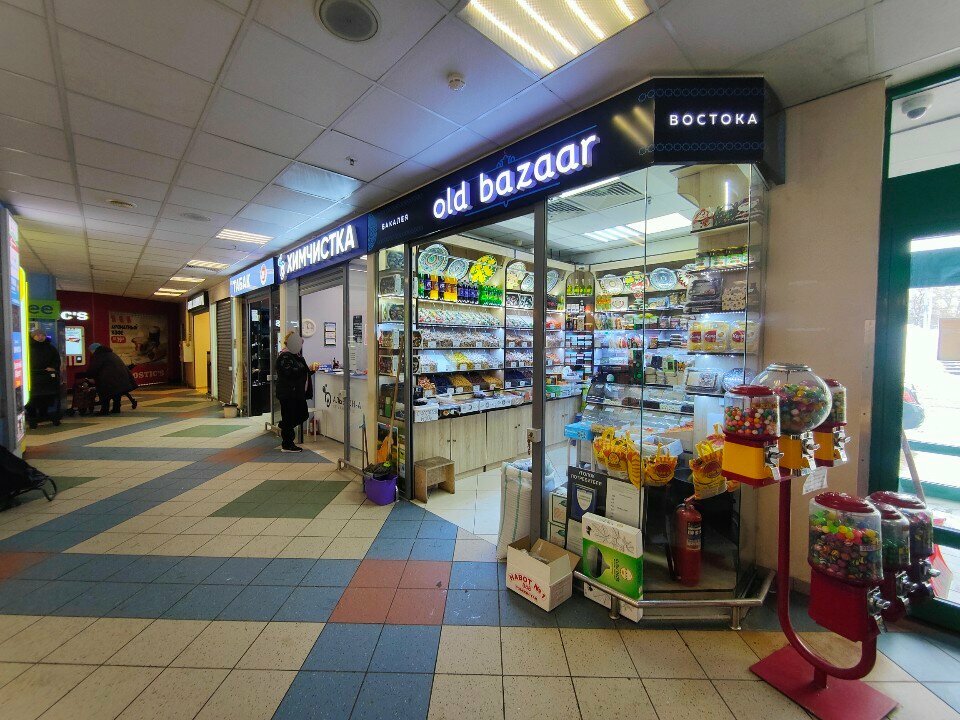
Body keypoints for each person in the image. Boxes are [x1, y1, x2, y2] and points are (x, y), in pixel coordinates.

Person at [275, 331, 319, 453]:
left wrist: (311, 370)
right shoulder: (285, 356)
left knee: (301, 415)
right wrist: (307, 368)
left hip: (296, 393)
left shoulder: (296, 356)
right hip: (288, 393)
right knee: (290, 417)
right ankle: (287, 444)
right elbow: (290, 373)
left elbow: (300, 372)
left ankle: (284, 426)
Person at [86, 342, 136, 415]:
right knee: (117, 393)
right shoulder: (112, 354)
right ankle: (116, 408)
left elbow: (94, 368)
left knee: (104, 391)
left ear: (94, 350)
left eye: (91, 351)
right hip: (121, 378)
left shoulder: (99, 355)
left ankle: (104, 410)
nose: (91, 352)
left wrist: (88, 376)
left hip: (109, 379)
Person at [26, 327, 62, 428]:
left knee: (45, 398)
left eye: (42, 335)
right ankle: (33, 417)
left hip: (47, 378)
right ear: (33, 336)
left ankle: (43, 414)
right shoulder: (28, 347)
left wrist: (53, 368)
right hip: (33, 378)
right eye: (38, 335)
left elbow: (56, 360)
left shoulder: (50, 348)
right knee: (32, 399)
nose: (40, 337)